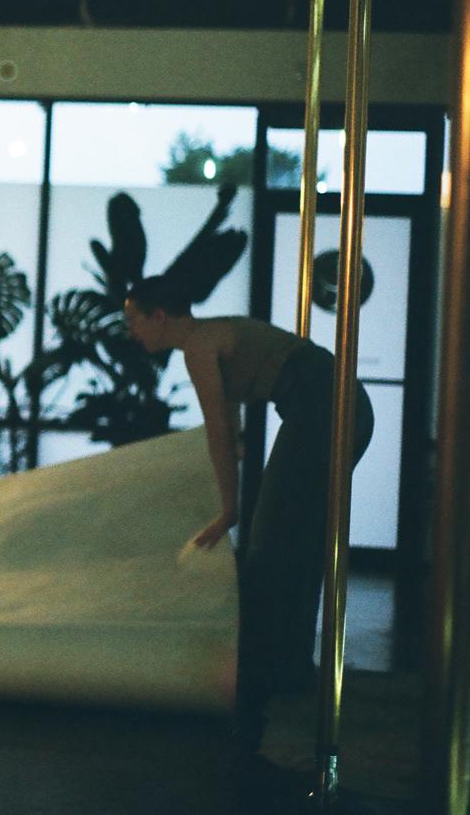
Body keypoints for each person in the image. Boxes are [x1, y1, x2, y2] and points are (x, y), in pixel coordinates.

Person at [122, 275, 374, 757]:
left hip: (325, 405)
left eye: (134, 320)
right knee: (287, 547)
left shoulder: (197, 344)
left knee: (267, 551)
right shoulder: (210, 337)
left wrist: (229, 510)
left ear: (159, 316)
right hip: (333, 403)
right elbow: (230, 425)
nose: (131, 331)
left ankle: (257, 697)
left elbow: (218, 432)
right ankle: (285, 673)